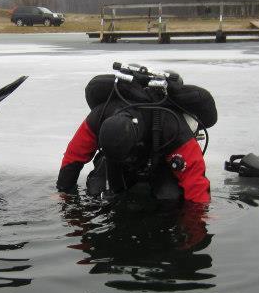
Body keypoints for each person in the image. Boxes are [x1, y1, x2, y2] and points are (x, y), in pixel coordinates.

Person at [56, 68, 216, 205]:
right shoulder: (100, 115)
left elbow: (194, 179)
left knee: (170, 198)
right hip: (112, 162)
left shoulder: (171, 126)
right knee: (96, 191)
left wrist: (199, 217)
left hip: (160, 162)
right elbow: (74, 155)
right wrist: (62, 191)